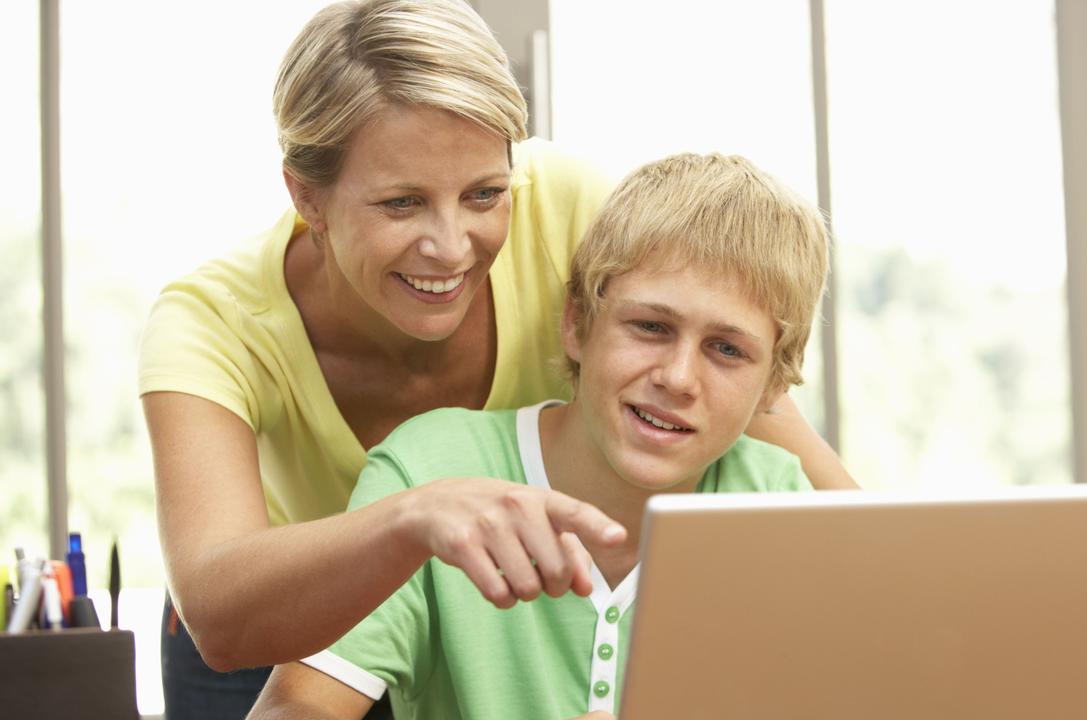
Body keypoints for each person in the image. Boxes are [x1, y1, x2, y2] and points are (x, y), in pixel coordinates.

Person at [139, 0, 854, 716]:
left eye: (485, 193)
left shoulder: (566, 206)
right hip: (280, 611)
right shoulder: (211, 323)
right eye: (400, 203)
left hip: (488, 625)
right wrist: (416, 517)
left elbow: (738, 366)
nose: (451, 247)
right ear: (307, 197)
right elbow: (221, 617)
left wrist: (891, 562)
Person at [245, 151, 830, 720]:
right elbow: (292, 707)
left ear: (776, 379)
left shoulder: (783, 505)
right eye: (650, 327)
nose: (677, 378)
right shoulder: (430, 468)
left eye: (727, 349)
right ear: (576, 324)